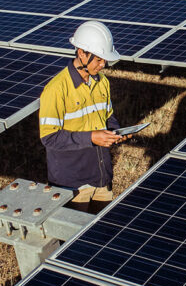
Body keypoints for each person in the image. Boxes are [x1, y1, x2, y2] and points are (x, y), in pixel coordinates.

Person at [38, 21, 130, 214]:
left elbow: (108, 117)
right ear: (81, 53)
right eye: (98, 59)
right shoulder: (56, 89)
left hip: (101, 177)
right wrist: (91, 138)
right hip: (72, 184)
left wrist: (117, 133)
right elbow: (49, 138)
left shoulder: (102, 82)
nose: (103, 64)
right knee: (74, 238)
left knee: (102, 234)